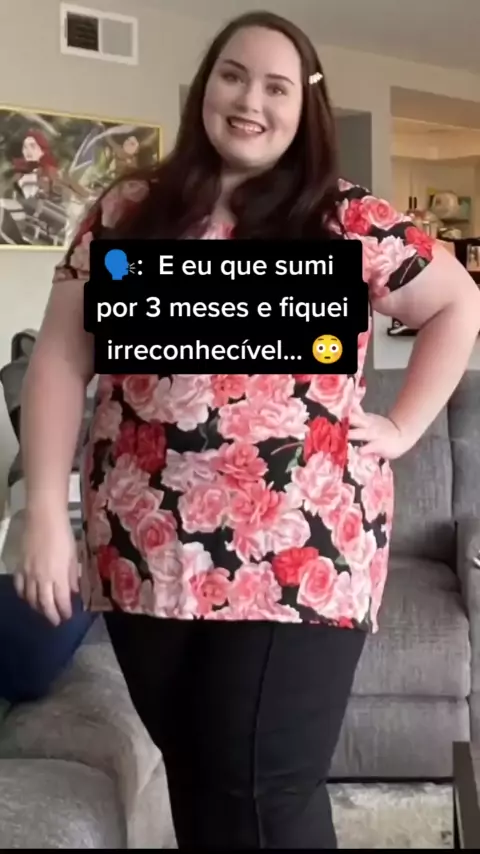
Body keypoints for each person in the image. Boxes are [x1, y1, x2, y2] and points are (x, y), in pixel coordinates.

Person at [15, 10, 480, 850]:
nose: (250, 101)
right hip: (146, 550)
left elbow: (457, 302)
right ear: (207, 86)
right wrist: (45, 511)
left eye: (276, 86)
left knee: (267, 794)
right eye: (233, 76)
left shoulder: (344, 218)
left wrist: (405, 424)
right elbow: (59, 357)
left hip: (300, 548)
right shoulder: (129, 210)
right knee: (200, 779)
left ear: (306, 107)